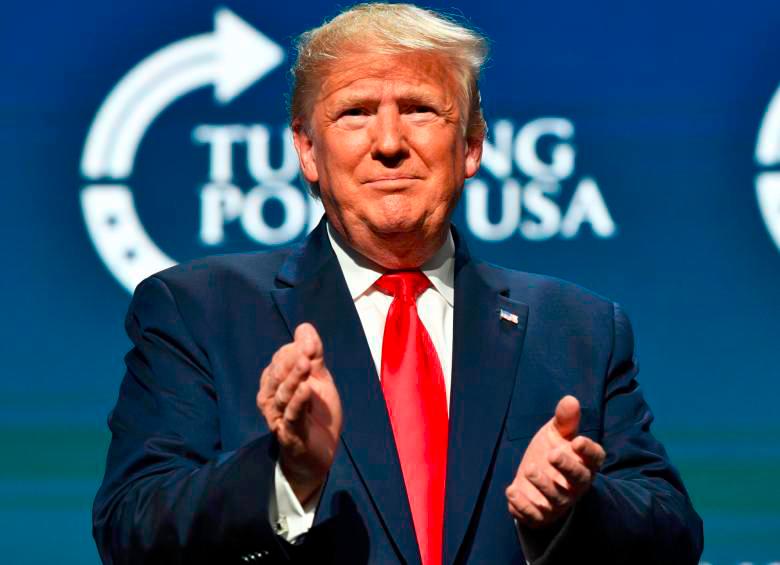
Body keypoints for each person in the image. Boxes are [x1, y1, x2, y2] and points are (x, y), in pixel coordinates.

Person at [93, 3, 703, 564]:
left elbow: (674, 536)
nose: (389, 144)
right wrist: (284, 477)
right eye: (355, 113)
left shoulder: (578, 328)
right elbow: (130, 528)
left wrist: (575, 507)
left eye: (419, 109)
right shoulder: (199, 311)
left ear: (471, 145)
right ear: (307, 149)